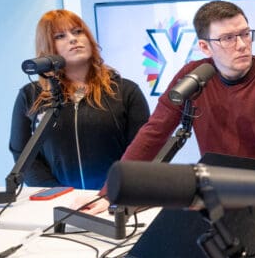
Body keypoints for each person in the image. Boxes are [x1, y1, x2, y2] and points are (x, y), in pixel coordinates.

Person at [86, 0, 255, 213]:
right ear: (205, 47)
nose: (242, 44)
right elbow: (153, 133)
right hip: (217, 192)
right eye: (228, 38)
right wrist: (110, 193)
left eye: (245, 34)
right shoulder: (193, 76)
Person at [9, 10, 150, 190]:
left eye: (77, 32)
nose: (73, 39)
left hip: (115, 197)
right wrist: (57, 194)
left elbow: (143, 151)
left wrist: (112, 193)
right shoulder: (30, 96)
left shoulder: (126, 91)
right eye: (60, 36)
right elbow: (23, 155)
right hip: (55, 201)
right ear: (47, 48)